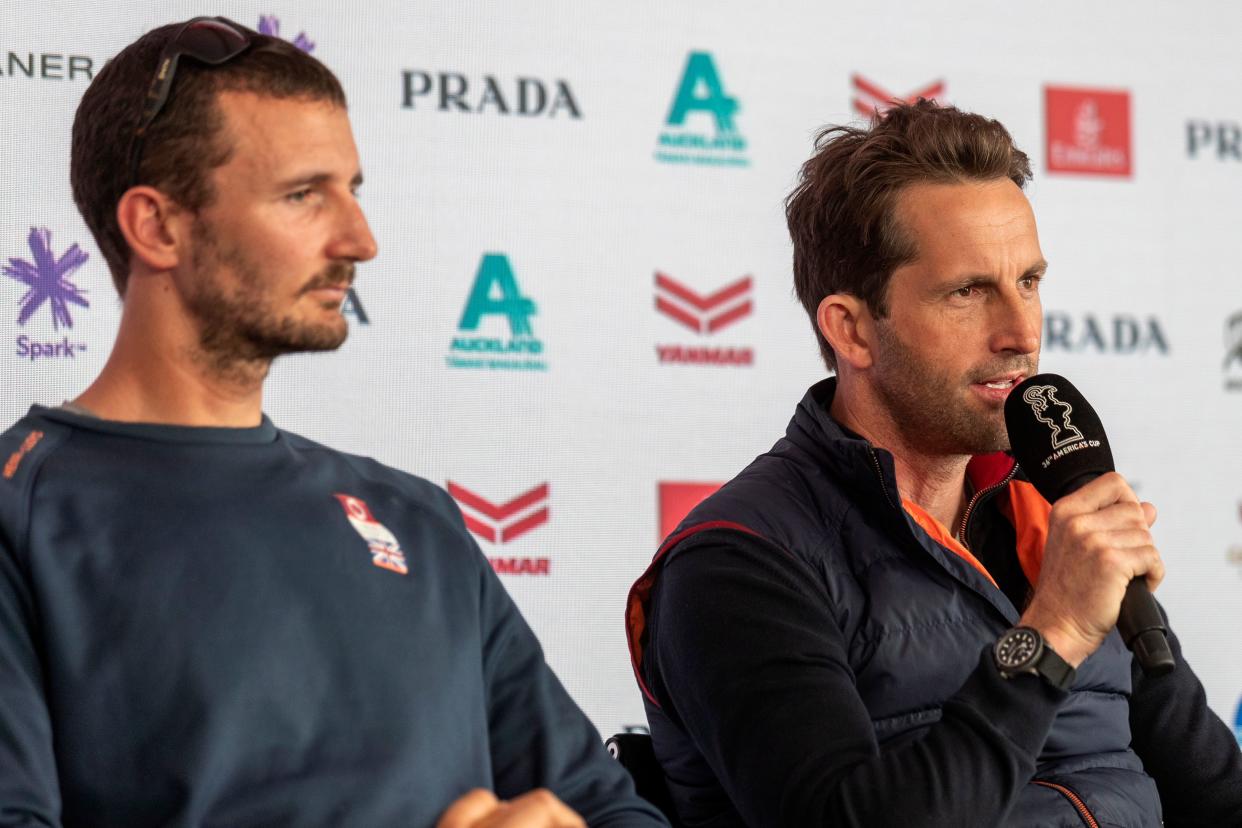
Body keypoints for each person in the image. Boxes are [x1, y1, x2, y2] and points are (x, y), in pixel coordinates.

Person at [0, 17, 666, 828]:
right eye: (303, 195)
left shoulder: (416, 519)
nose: (361, 239)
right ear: (159, 226)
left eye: (353, 190)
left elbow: (606, 808)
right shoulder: (21, 518)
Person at [625, 101, 1242, 826]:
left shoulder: (1052, 510)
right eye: (967, 292)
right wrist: (1051, 637)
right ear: (851, 329)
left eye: (1029, 283)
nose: (1020, 333)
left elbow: (1214, 793)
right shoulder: (737, 562)